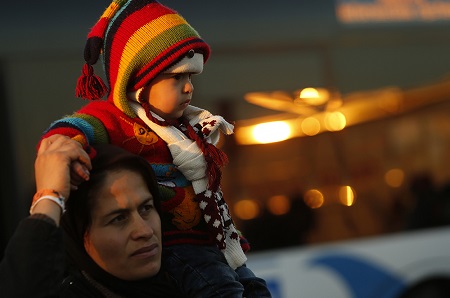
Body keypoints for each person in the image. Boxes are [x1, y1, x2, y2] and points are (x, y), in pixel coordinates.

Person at [39, 0, 271, 297]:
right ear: (138, 79)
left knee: (255, 288)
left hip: (212, 242)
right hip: (174, 246)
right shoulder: (115, 119)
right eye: (177, 77)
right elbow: (72, 129)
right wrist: (61, 145)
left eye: (190, 77)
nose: (188, 88)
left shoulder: (186, 126)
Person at [0, 135, 184, 297]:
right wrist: (50, 197)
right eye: (118, 218)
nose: (144, 230)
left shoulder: (195, 279)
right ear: (79, 235)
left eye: (146, 208)